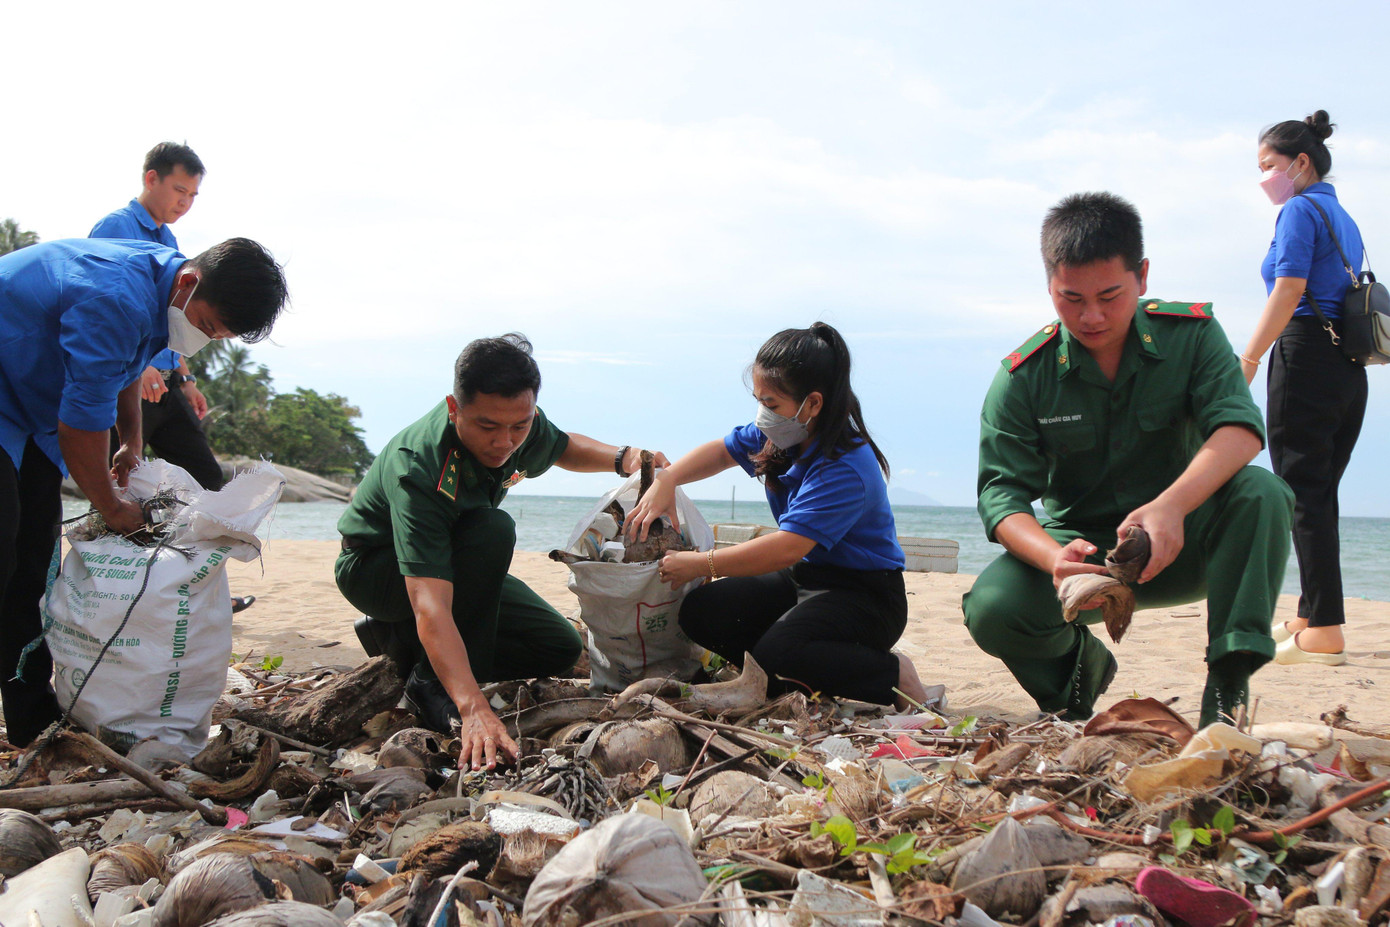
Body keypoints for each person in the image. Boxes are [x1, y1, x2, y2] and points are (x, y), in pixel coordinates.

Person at [961, 192, 1294, 729]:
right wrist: (1054, 560)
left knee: (1263, 491)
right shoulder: (1024, 377)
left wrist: (1171, 507)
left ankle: (1227, 692)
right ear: (1049, 284)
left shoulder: (1192, 336)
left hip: (1187, 542)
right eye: (1071, 299)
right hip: (1086, 561)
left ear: (1141, 276)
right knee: (992, 607)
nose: (1091, 316)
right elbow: (1000, 496)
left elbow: (1240, 431)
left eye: (1110, 295)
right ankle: (1079, 676)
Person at [0, 237, 289, 746]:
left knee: (30, 568)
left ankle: (29, 719)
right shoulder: (116, 295)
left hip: (28, 412)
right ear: (189, 283)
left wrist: (132, 442)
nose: (204, 339)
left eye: (217, 335)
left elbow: (127, 372)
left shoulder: (163, 293)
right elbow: (78, 425)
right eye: (206, 326)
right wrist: (110, 507)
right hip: (13, 392)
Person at [335, 333, 668, 772]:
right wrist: (473, 706)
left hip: (458, 563)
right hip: (379, 569)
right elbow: (430, 602)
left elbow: (563, 446)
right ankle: (428, 681)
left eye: (520, 426)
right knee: (494, 530)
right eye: (487, 427)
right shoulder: (418, 466)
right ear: (455, 409)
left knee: (556, 646)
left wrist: (627, 457)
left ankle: (404, 644)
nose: (505, 442)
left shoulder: (515, 421)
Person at [626, 322, 930, 709]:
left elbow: (788, 547)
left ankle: (893, 673)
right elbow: (721, 451)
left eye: (771, 405)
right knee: (703, 612)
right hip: (806, 576)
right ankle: (789, 676)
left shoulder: (847, 465)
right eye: (758, 400)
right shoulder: (785, 433)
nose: (762, 415)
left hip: (865, 596)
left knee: (778, 655)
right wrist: (668, 479)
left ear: (813, 404)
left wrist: (704, 562)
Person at [89, 142, 254, 613]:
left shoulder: (171, 243)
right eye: (178, 189)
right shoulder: (117, 228)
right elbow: (105, 306)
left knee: (206, 476)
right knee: (116, 481)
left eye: (193, 195)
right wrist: (136, 365)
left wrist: (185, 379)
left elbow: (175, 320)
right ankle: (117, 589)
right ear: (151, 179)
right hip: (128, 376)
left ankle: (196, 583)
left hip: (164, 381)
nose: (183, 201)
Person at [1238, 111, 1365, 667]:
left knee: (1301, 494)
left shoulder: (1297, 211)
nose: (1264, 176)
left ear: (1301, 162)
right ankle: (1312, 612)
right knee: (1320, 492)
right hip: (1348, 366)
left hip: (1305, 355)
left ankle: (1327, 631)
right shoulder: (1344, 216)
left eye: (1268, 165)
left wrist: (1249, 356)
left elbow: (1289, 288)